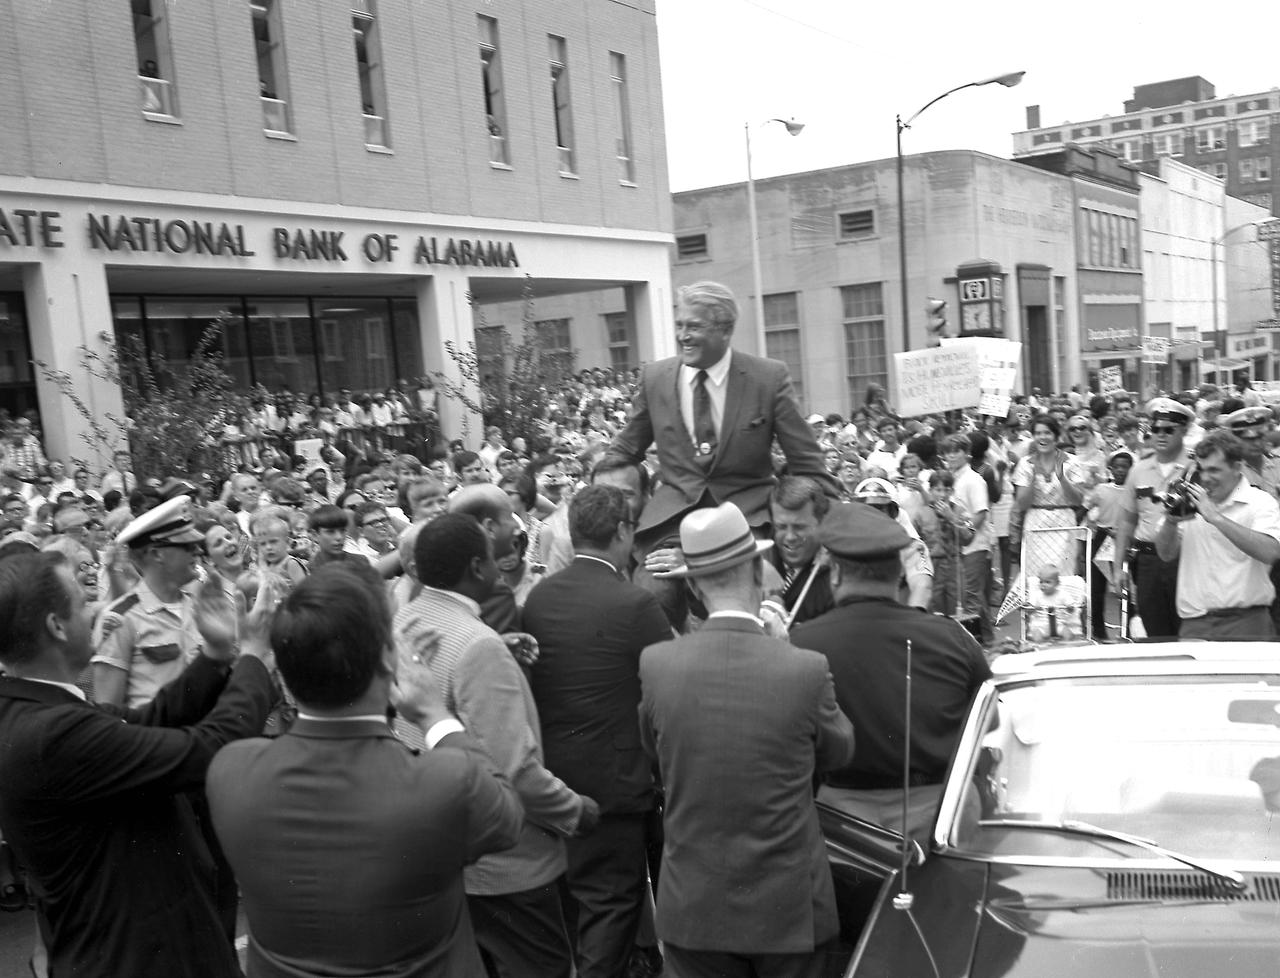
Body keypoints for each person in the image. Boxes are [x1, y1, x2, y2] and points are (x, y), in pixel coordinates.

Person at [207, 565, 524, 978]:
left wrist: (251, 651)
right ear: (388, 660)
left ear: (282, 676)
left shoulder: (230, 769)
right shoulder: (446, 780)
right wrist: (433, 713)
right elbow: (507, 816)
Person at [0, 550, 275, 978]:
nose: (94, 610)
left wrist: (217, 655)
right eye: (81, 603)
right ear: (56, 626)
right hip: (140, 956)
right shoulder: (51, 731)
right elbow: (211, 747)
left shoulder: (34, 708)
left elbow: (146, 721)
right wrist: (255, 655)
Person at [639, 502, 854, 977]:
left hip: (694, 909)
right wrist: (787, 649)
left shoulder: (656, 665)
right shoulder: (804, 666)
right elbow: (840, 750)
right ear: (759, 570)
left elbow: (654, 753)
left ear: (693, 586)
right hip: (790, 910)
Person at [394, 514, 599, 978]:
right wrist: (575, 811)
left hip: (445, 858)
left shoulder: (408, 617)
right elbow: (517, 771)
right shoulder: (477, 645)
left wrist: (494, 646)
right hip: (509, 867)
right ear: (477, 567)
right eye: (491, 554)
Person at [604, 281, 838, 624]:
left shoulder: (768, 378)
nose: (683, 335)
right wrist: (595, 498)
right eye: (680, 325)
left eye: (694, 326)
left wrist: (834, 526)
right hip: (671, 525)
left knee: (759, 602)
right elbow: (626, 448)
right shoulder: (655, 377)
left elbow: (807, 464)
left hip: (748, 522)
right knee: (653, 597)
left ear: (726, 329)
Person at [522, 485, 671, 978]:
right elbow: (666, 685)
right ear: (624, 532)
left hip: (557, 776)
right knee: (611, 908)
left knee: (588, 906)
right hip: (618, 783)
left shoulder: (541, 598)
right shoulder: (635, 604)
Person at [790, 503, 990, 837]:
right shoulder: (950, 636)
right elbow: (989, 720)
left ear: (835, 574)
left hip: (845, 822)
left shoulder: (800, 642)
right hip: (943, 813)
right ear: (899, 574)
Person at [1155, 430, 1280, 640]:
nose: (1205, 478)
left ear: (1237, 467)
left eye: (1214, 470)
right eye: (1202, 469)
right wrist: (1170, 521)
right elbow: (1166, 554)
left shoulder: (1261, 501)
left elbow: (1270, 552)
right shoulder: (1190, 500)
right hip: (1195, 624)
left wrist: (1216, 517)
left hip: (1247, 623)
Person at [91, 496, 212, 709]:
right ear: (157, 554)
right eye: (188, 546)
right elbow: (107, 713)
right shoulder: (121, 619)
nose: (199, 551)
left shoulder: (199, 607)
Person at [1112, 398, 1195, 639]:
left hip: (1186, 558)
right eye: (1155, 429)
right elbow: (1127, 522)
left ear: (1184, 430)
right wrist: (1118, 569)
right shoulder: (1138, 470)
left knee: (1187, 629)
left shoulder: (1195, 467)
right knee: (1153, 628)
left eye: (1169, 429)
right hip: (1148, 561)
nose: (1161, 435)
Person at [1010, 414, 1083, 575]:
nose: (1043, 437)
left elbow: (1078, 500)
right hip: (1036, 521)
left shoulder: (1072, 462)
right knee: (1036, 575)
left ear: (1056, 436)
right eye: (1038, 433)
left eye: (1047, 433)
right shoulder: (1025, 463)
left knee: (1062, 574)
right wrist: (1033, 479)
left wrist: (1062, 478)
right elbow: (1022, 504)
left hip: (1064, 522)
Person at [767, 476, 833, 627]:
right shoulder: (756, 562)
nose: (790, 537)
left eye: (800, 527)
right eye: (781, 527)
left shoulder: (835, 577)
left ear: (821, 523)